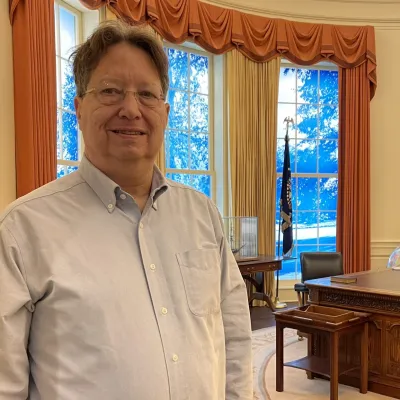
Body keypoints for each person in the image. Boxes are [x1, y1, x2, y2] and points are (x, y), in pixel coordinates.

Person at [0, 20, 252, 399]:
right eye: (111, 91)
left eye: (147, 95)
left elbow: (234, 338)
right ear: (79, 109)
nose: (131, 110)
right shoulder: (22, 230)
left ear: (165, 113)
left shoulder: (202, 215)